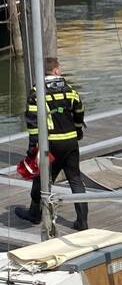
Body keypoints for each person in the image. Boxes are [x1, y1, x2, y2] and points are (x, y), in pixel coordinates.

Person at [15, 57, 89, 231]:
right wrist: (78, 130)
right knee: (76, 180)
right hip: (70, 142)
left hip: (50, 144)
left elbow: (32, 122)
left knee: (41, 179)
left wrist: (33, 147)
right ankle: (82, 222)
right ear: (56, 70)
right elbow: (80, 111)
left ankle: (34, 215)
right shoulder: (70, 90)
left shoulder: (36, 92)